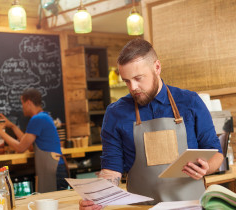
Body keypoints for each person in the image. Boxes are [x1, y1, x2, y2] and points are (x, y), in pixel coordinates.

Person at [80, 38, 224, 209]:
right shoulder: (115, 113)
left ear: (157, 67)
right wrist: (98, 198)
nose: (133, 87)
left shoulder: (190, 102)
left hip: (190, 206)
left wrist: (206, 168)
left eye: (138, 78)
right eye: (126, 81)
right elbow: (111, 169)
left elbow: (216, 153)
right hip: (141, 207)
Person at [0, 88, 68, 193]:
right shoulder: (43, 117)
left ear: (28, 102)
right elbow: (29, 145)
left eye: (22, 103)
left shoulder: (37, 119)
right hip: (56, 168)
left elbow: (21, 147)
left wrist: (0, 132)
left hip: (53, 170)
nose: (22, 106)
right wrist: (13, 126)